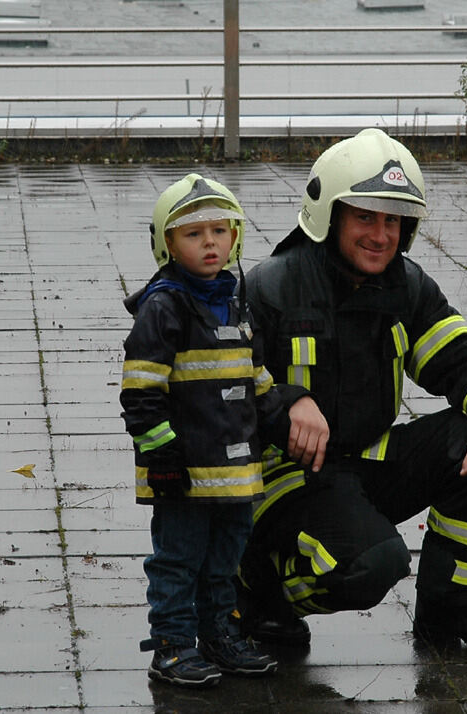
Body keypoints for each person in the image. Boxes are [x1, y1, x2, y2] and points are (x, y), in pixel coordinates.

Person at [235, 128, 467, 654]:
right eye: (365, 217)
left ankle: (450, 612)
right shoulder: (270, 288)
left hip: (367, 458)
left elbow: (464, 357)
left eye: (392, 220)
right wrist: (286, 401)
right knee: (377, 563)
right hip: (284, 476)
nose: (381, 235)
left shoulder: (406, 287)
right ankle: (254, 592)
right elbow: (221, 390)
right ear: (330, 215)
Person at [120, 174, 325, 688]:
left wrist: (283, 419)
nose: (210, 242)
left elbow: (256, 381)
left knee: (224, 562)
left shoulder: (235, 302)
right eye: (193, 233)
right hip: (183, 474)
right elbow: (140, 394)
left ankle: (219, 635)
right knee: (178, 562)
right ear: (166, 244)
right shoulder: (164, 308)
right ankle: (170, 646)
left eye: (220, 230)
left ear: (234, 237)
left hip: (235, 475)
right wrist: (162, 457)